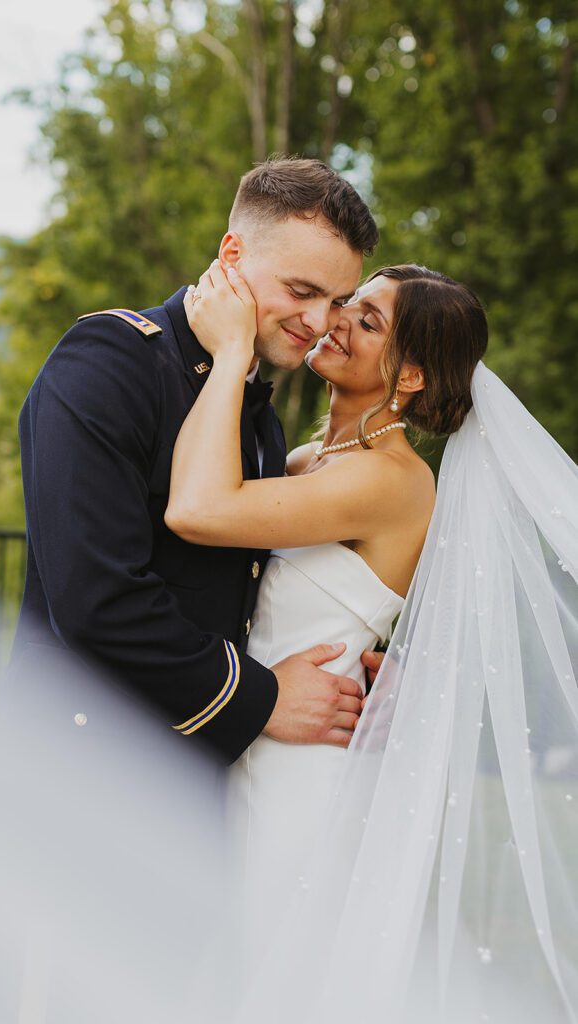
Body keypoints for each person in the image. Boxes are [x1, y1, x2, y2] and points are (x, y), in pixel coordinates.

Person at [167, 263, 578, 1022]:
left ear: (412, 374)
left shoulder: (389, 480)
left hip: (299, 773)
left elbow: (197, 509)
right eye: (344, 305)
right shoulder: (309, 463)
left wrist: (232, 356)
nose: (336, 321)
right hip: (249, 736)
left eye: (367, 321)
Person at [9, 157, 380, 765]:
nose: (318, 323)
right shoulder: (109, 361)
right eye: (301, 291)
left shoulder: (260, 412)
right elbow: (95, 600)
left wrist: (358, 660)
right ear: (232, 255)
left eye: (337, 300)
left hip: (198, 781)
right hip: (74, 772)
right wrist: (260, 699)